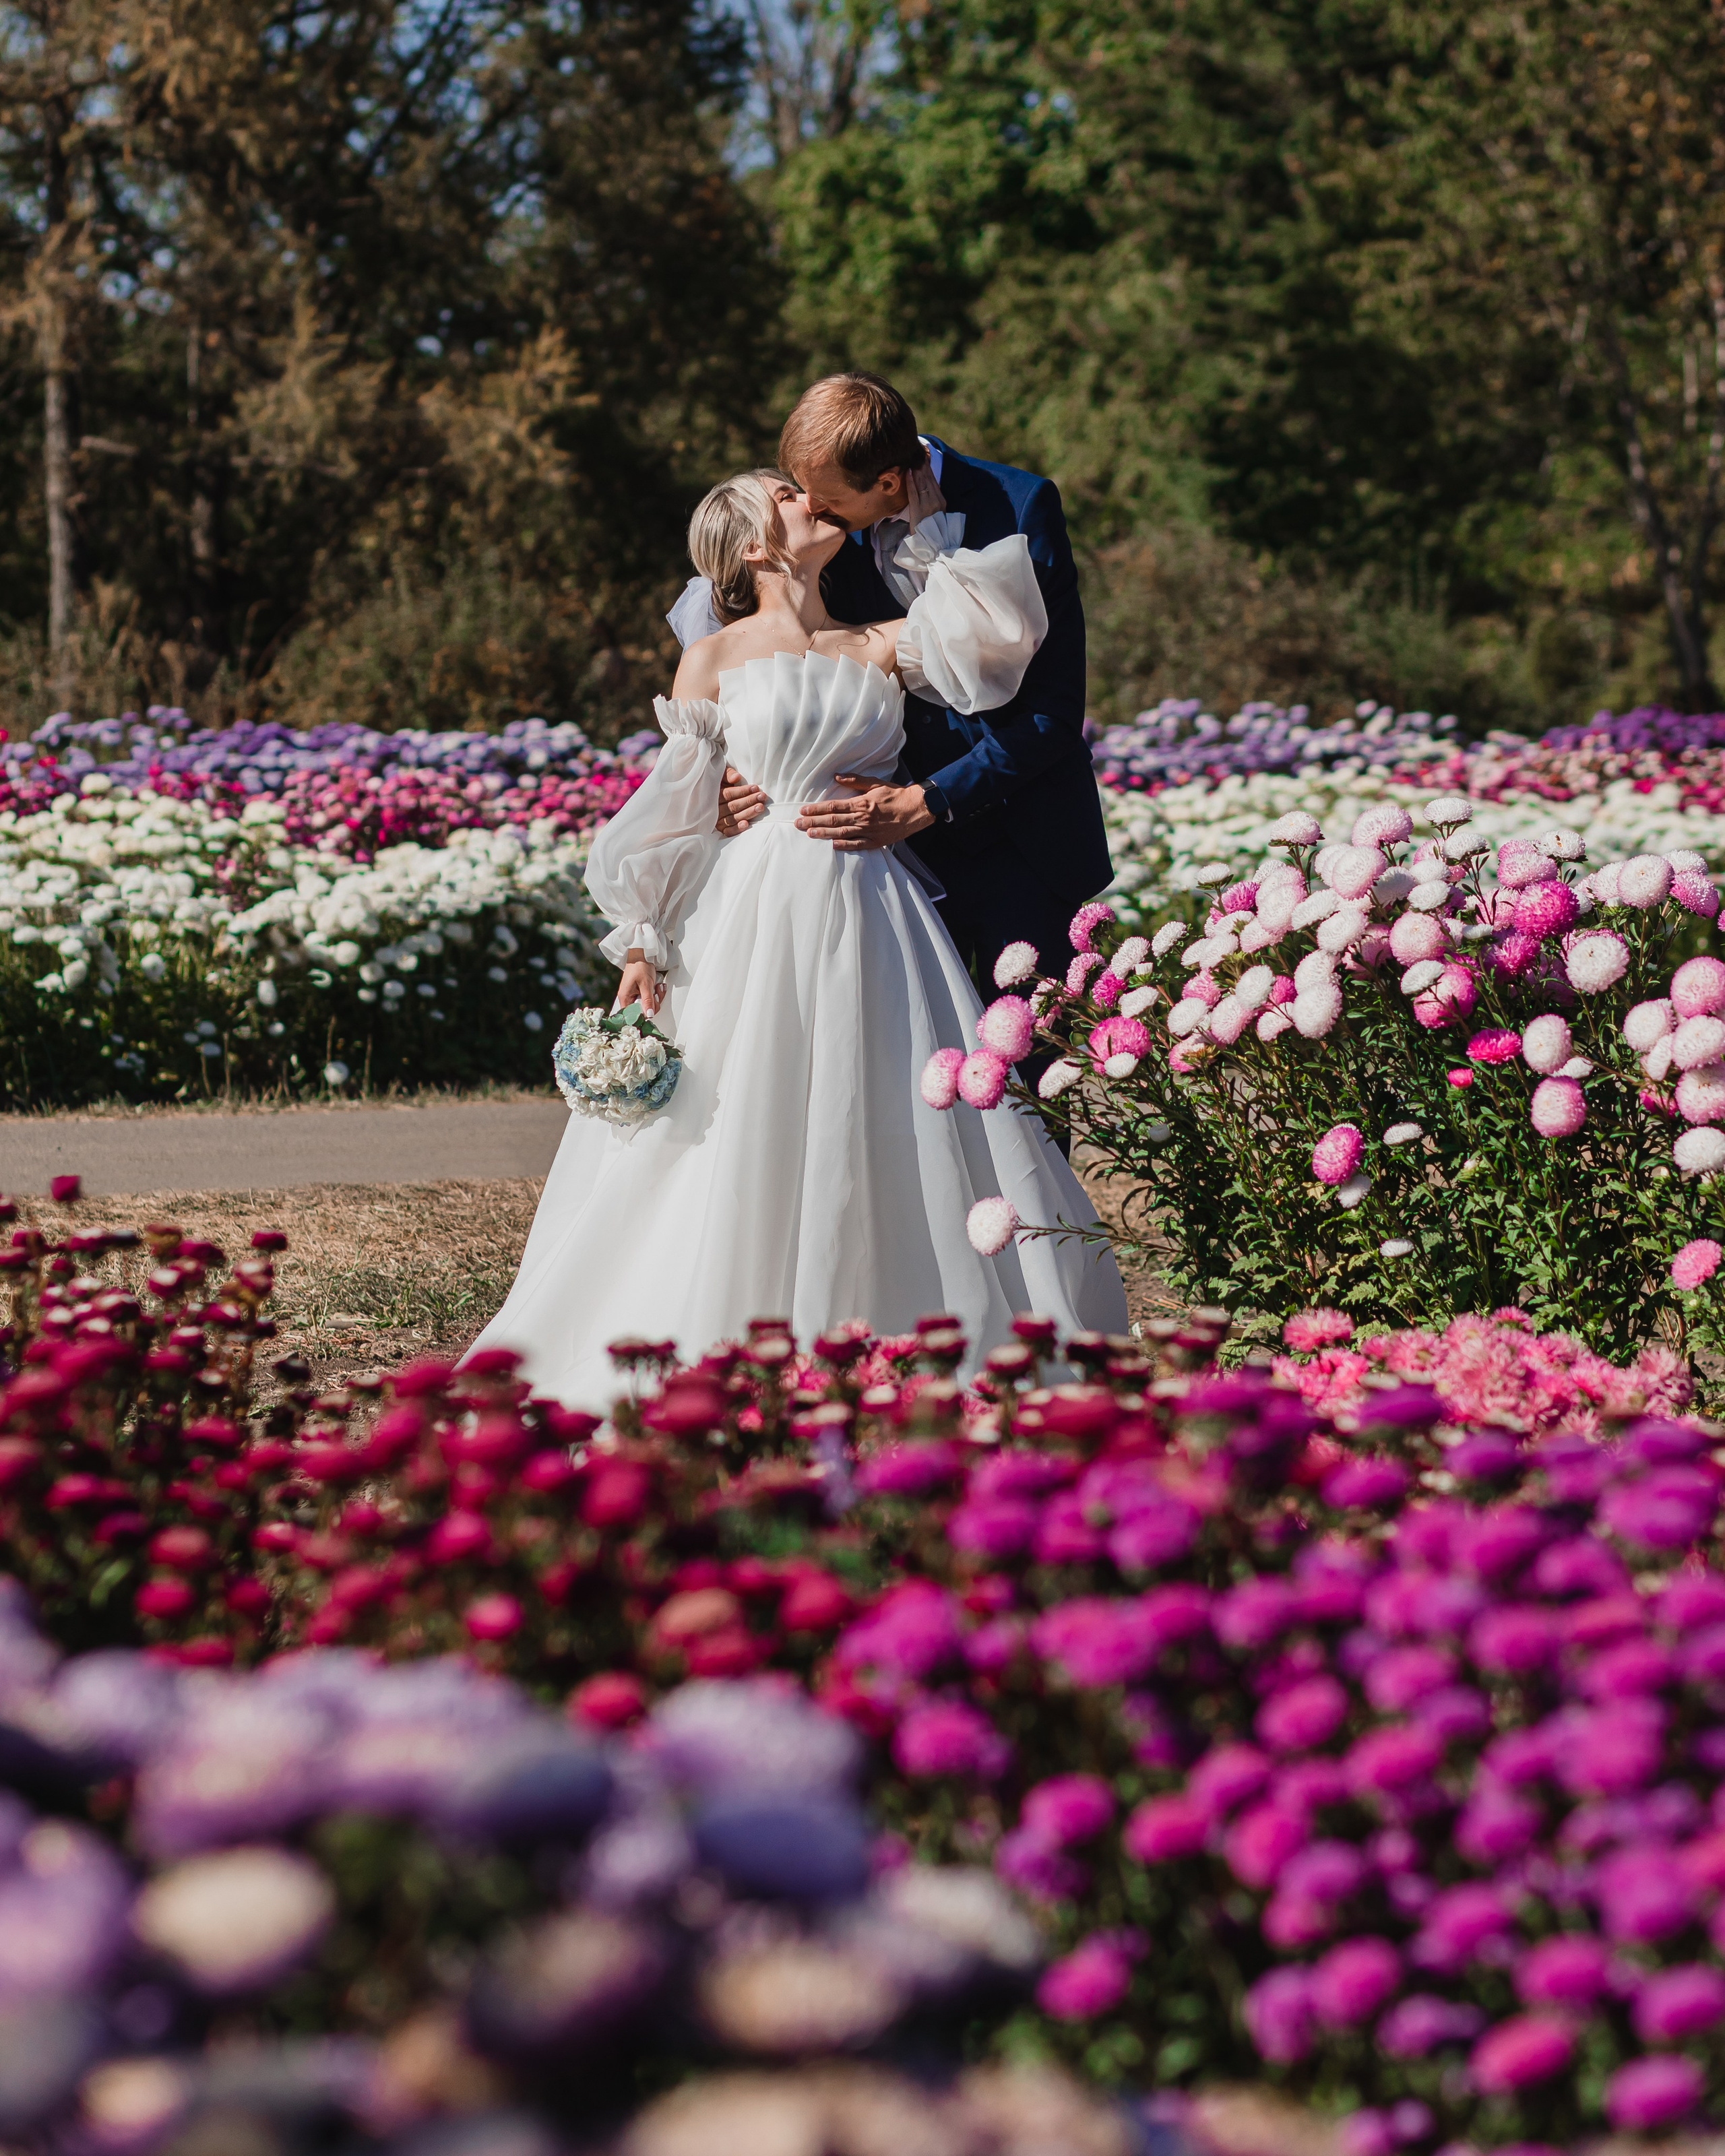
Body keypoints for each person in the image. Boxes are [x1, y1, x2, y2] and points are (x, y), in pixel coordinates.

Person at [468, 469, 1127, 1407]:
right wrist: (645, 943)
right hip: (753, 909)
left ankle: (903, 1320)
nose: (808, 495)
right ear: (746, 546)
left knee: (887, 1105)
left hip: (876, 904)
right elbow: (672, 810)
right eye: (784, 493)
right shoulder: (714, 660)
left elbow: (1012, 642)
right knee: (743, 1109)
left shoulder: (886, 643)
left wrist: (923, 519)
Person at [714, 373, 1114, 1081]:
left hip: (1017, 844)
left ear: (892, 484)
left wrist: (929, 799)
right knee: (890, 1080)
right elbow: (753, 641)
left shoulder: (1016, 506)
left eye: (829, 501)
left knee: (1023, 1083)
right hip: (868, 864)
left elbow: (1052, 713)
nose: (809, 509)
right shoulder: (817, 530)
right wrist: (727, 766)